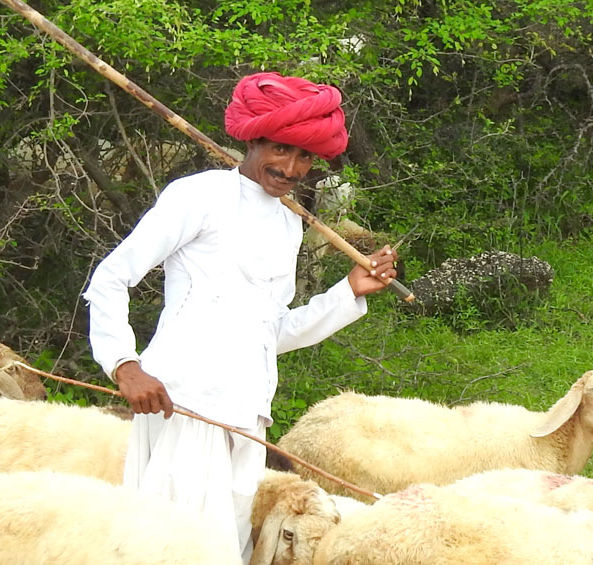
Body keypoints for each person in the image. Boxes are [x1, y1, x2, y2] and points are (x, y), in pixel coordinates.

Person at [83, 71, 398, 563]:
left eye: (303, 157)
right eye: (279, 150)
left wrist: (347, 292)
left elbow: (269, 332)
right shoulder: (199, 196)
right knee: (169, 547)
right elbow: (111, 277)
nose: (291, 168)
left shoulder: (289, 221)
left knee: (225, 548)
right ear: (253, 141)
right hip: (183, 401)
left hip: (247, 413)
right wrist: (125, 365)